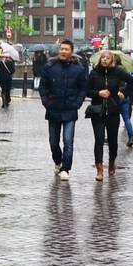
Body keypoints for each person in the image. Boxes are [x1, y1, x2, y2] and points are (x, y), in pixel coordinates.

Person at [38, 39, 87, 181]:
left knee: (68, 141)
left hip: (70, 110)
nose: (63, 51)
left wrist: (78, 103)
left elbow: (83, 88)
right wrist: (46, 101)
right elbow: (43, 86)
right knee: (53, 142)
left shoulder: (78, 69)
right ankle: (58, 162)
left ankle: (66, 169)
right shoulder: (50, 67)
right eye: (61, 49)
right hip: (53, 108)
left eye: (66, 49)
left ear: (71, 51)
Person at [85, 51, 130, 182]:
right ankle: (99, 169)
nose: (105, 60)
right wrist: (99, 93)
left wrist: (123, 92)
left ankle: (111, 162)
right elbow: (86, 91)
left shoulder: (117, 72)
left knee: (113, 141)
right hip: (97, 111)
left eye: (108, 58)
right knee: (99, 140)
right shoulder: (94, 73)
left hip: (113, 110)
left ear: (112, 60)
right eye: (103, 58)